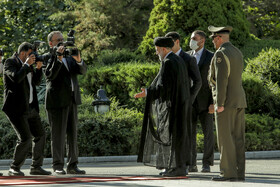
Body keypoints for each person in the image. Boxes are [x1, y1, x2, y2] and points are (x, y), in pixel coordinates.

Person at [135, 37, 189, 177]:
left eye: (157, 50)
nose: (157, 53)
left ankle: (176, 168)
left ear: (164, 49)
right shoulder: (179, 60)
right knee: (178, 136)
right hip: (181, 105)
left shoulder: (168, 62)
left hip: (173, 107)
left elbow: (164, 87)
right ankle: (177, 167)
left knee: (173, 137)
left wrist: (148, 92)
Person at [2, 42, 51, 176]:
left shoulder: (28, 64)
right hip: (15, 108)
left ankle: (36, 166)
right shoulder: (9, 62)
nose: (33, 57)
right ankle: (14, 168)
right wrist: (26, 65)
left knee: (40, 135)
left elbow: (35, 82)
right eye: (30, 54)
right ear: (23, 53)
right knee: (25, 138)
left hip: (30, 107)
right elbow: (16, 78)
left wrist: (39, 69)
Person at [44, 31, 87, 175]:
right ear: (51, 43)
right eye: (58, 40)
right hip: (56, 102)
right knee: (58, 135)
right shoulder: (47, 56)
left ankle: (72, 165)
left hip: (72, 100)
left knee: (72, 134)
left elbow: (82, 71)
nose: (62, 42)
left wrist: (79, 59)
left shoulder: (69, 57)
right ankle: (57, 165)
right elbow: (50, 75)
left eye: (63, 39)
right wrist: (58, 58)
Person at [207, 26, 247, 181]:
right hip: (239, 100)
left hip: (227, 102)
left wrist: (219, 103)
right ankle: (239, 172)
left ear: (218, 38)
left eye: (213, 39)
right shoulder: (237, 52)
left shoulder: (220, 53)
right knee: (238, 138)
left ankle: (228, 173)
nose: (213, 43)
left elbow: (221, 80)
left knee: (225, 138)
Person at [165, 32, 202, 171]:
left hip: (184, 103)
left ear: (177, 42)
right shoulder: (166, 57)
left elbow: (198, 81)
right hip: (171, 103)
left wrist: (189, 99)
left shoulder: (188, 58)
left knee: (185, 133)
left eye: (170, 43)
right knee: (170, 134)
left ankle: (186, 164)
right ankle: (171, 164)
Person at [187, 30, 214, 173]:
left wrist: (213, 102)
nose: (191, 41)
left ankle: (207, 163)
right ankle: (191, 163)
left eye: (194, 38)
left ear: (202, 40)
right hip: (190, 101)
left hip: (206, 102)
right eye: (191, 38)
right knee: (190, 134)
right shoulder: (187, 56)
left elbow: (214, 82)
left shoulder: (211, 56)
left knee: (208, 133)